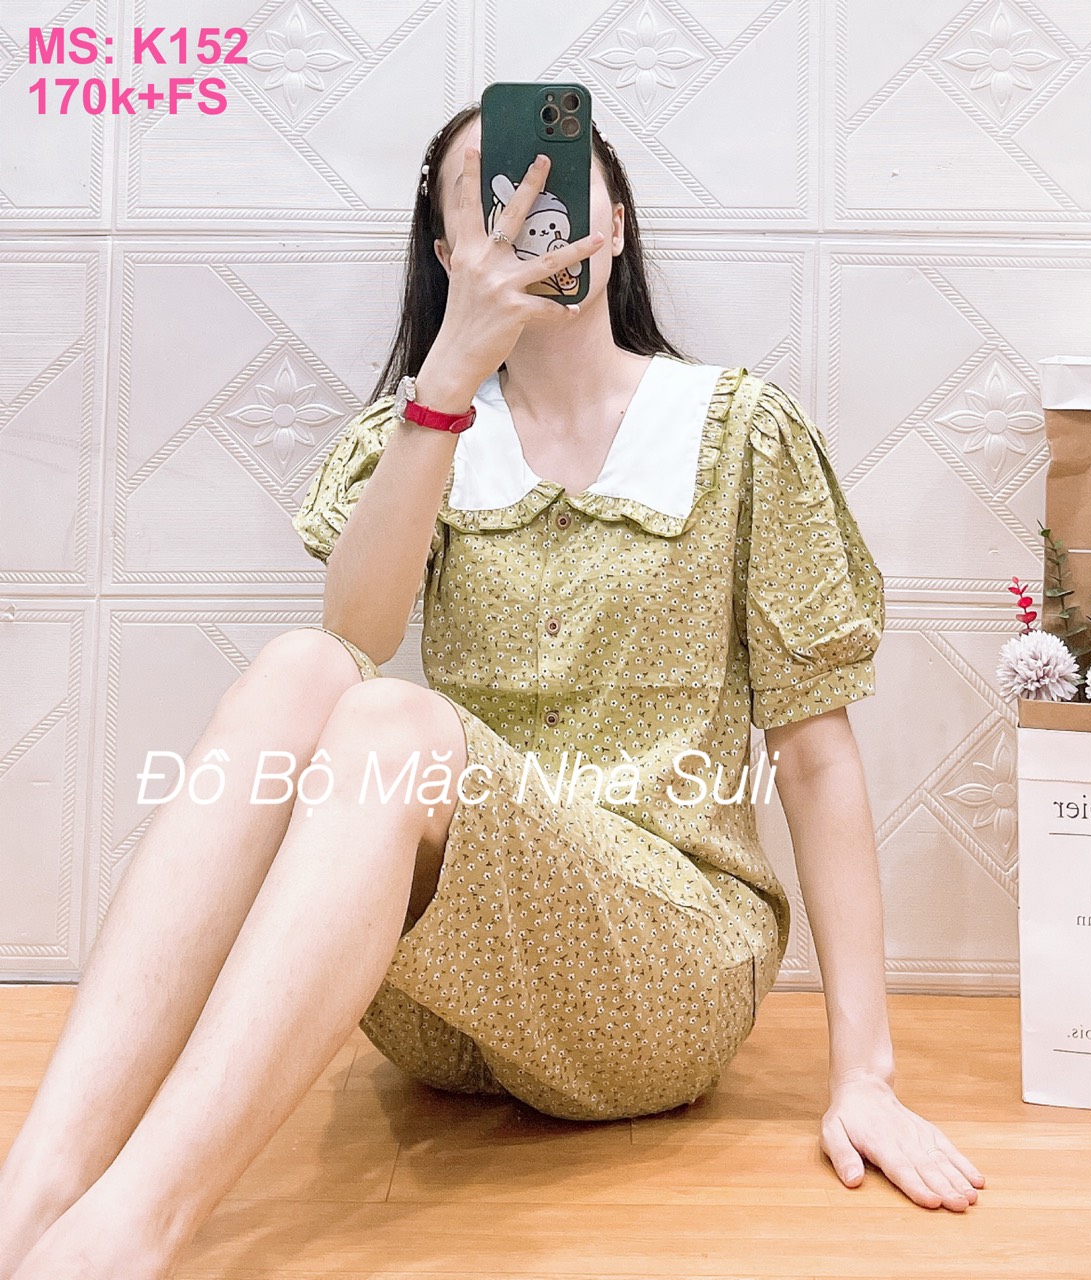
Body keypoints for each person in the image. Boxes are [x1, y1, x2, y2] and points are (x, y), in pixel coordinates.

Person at [0, 101, 984, 1278]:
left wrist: (862, 1075)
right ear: (444, 250)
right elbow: (358, 632)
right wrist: (446, 384)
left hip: (657, 976)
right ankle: (33, 1192)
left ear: (614, 221)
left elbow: (814, 759)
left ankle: (126, 1233)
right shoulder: (423, 430)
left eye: (554, 186)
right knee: (305, 667)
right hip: (435, 1008)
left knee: (387, 719)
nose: (526, 216)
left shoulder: (734, 433)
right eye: (486, 198)